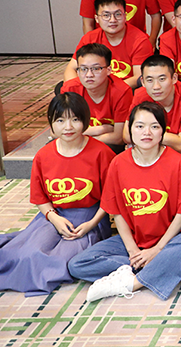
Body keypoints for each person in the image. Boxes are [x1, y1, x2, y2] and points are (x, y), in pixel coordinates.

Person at [67, 102, 181, 302]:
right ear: (130, 129)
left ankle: (132, 283)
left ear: (163, 131)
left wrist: (157, 250)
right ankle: (152, 267)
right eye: (139, 126)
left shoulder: (180, 164)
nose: (147, 132)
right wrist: (133, 251)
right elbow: (116, 212)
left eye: (154, 126)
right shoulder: (118, 163)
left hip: (173, 238)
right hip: (135, 238)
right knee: (78, 264)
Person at [0, 93, 114, 296]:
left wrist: (91, 224)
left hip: (89, 219)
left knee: (62, 259)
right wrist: (55, 219)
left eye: (75, 119)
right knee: (28, 253)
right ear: (51, 123)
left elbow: (110, 197)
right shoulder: (43, 155)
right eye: (60, 120)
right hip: (54, 215)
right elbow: (40, 198)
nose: (68, 127)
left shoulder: (101, 153)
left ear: (85, 120)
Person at [126, 56, 181, 192]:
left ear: (174, 78)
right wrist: (166, 137)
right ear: (142, 81)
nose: (156, 87)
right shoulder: (140, 95)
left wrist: (147, 132)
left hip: (176, 153)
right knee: (129, 149)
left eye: (162, 79)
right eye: (150, 80)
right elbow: (127, 135)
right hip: (154, 146)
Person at [65, 0, 153, 89]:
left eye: (118, 14)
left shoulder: (140, 40)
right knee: (64, 88)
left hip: (125, 87)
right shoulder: (90, 38)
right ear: (97, 19)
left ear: (125, 16)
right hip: (95, 85)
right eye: (106, 15)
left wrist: (108, 91)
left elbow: (139, 77)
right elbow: (71, 68)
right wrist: (76, 89)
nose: (112, 20)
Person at [60, 43, 132, 148]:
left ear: (109, 70)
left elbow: (119, 138)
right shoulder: (70, 89)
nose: (89, 75)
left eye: (96, 68)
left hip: (107, 145)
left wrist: (77, 136)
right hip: (86, 139)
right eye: (83, 69)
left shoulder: (122, 92)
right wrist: (99, 130)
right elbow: (56, 132)